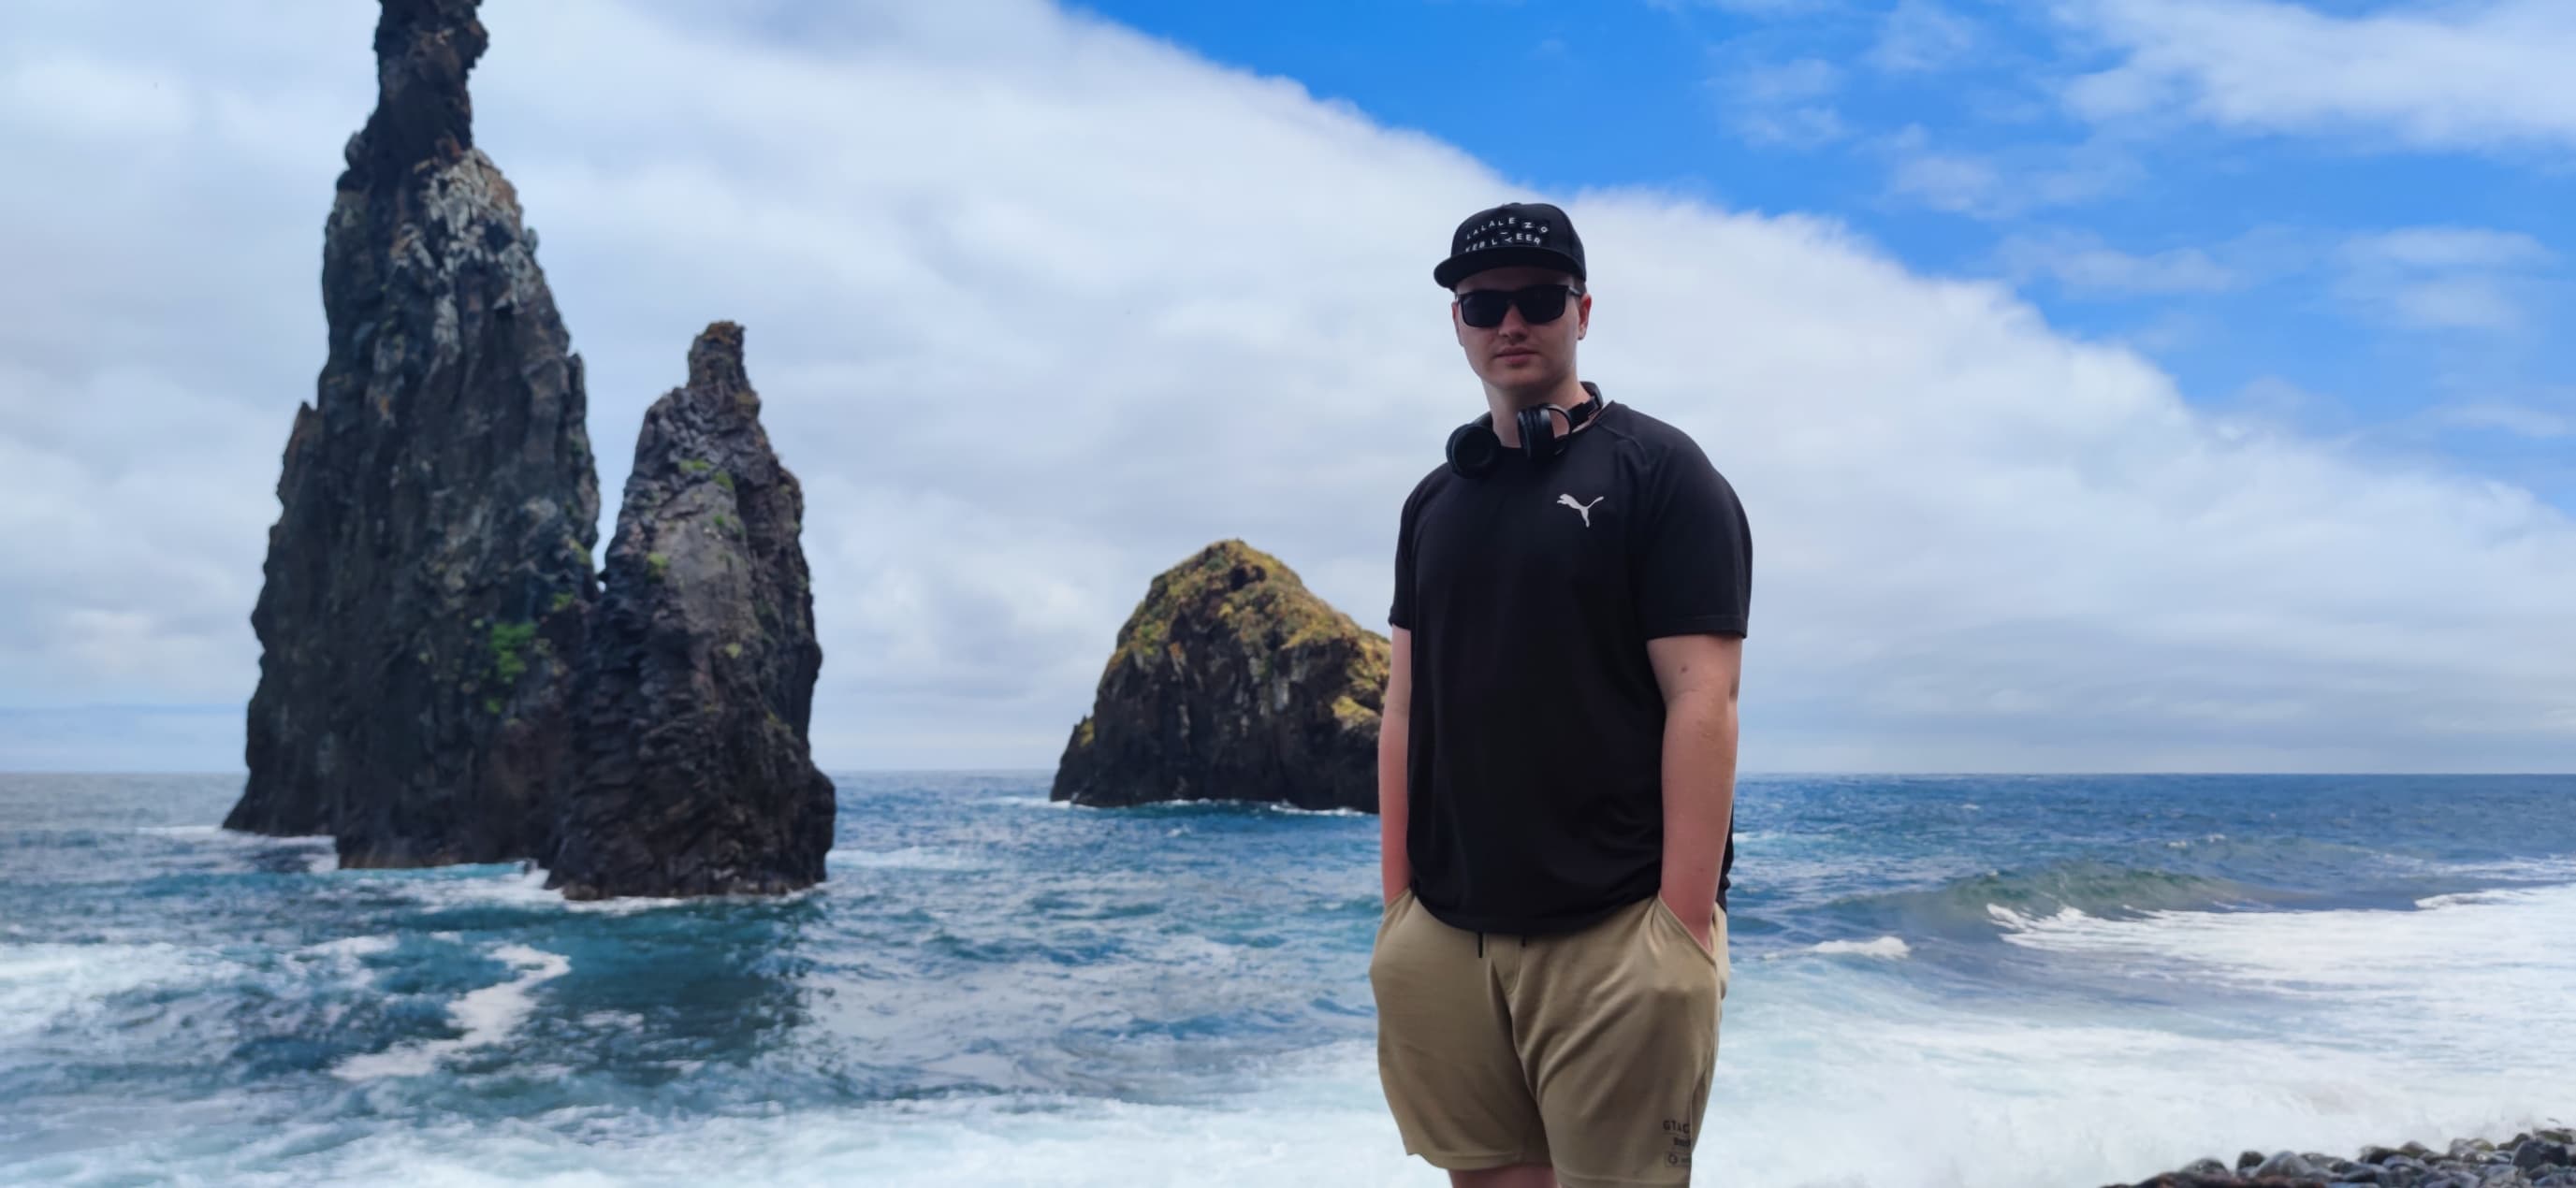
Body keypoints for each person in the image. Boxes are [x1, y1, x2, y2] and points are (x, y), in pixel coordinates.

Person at [1370, 200, 1751, 1188]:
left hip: (1615, 930)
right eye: (1481, 303)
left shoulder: (1662, 474)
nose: (1509, 322)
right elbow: (1404, 708)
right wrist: (1397, 907)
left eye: (1536, 298)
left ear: (1581, 309)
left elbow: (1700, 699)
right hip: (1449, 935)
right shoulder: (1431, 503)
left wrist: (1679, 921)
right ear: (1454, 321)